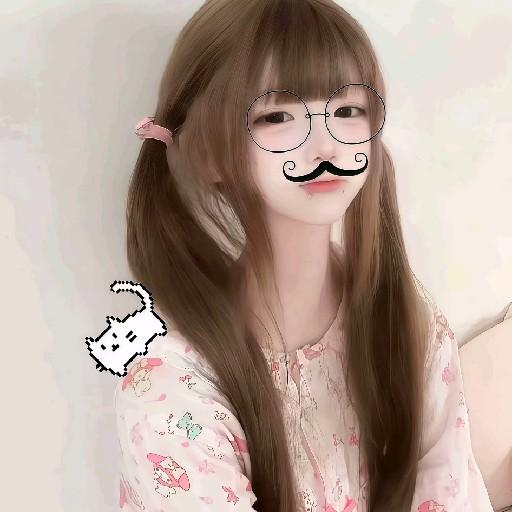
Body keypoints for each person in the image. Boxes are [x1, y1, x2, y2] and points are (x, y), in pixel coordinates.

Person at [114, 0, 494, 510]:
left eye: (347, 111)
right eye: (277, 116)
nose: (326, 145)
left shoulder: (406, 324)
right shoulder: (171, 388)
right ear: (207, 153)